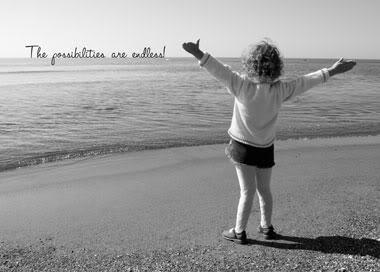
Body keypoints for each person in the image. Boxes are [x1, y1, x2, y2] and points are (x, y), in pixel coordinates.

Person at [182, 39, 356, 245]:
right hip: (265, 149)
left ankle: (239, 232)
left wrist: (199, 53)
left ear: (249, 64)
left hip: (242, 148)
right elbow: (305, 81)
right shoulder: (279, 90)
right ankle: (267, 227)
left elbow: (218, 70)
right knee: (264, 190)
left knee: (246, 191)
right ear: (276, 67)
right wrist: (332, 70)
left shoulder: (240, 84)